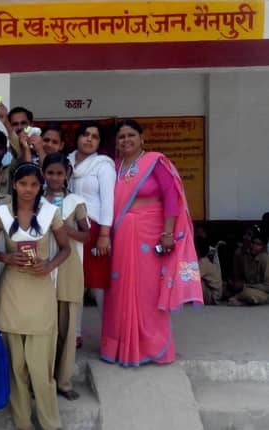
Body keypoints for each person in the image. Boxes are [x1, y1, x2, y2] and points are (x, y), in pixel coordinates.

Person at [101, 119, 202, 366]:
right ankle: (121, 346)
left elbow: (171, 197)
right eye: (121, 136)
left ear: (142, 138)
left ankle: (152, 345)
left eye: (131, 135)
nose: (126, 140)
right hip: (121, 236)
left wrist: (168, 233)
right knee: (119, 289)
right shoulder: (113, 167)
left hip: (152, 233)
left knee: (148, 290)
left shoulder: (155, 161)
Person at [0, 162, 70, 430]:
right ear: (14, 184)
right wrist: (6, 257)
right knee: (16, 369)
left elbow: (66, 249)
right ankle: (22, 423)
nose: (28, 189)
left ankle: (50, 424)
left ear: (40, 187)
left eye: (34, 185)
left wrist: (49, 266)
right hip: (11, 293)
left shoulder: (50, 213)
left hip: (41, 293)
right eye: (23, 183)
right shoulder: (1, 214)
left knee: (41, 369)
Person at [41, 153, 89, 401]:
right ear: (44, 174)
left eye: (59, 173)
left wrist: (63, 229)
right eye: (50, 173)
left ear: (67, 174)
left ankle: (64, 381)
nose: (55, 178)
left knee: (67, 329)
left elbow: (86, 236)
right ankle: (43, 380)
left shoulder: (75, 202)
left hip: (69, 268)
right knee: (46, 330)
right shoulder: (36, 201)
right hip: (45, 267)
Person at [67, 122, 115, 347]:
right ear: (77, 137)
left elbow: (108, 202)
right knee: (75, 283)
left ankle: (111, 334)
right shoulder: (66, 162)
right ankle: (75, 334)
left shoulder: (103, 165)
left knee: (98, 284)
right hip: (70, 229)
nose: (89, 139)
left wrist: (104, 234)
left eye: (95, 137)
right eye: (85, 134)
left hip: (94, 230)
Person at [228, 229, 269, 306]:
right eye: (253, 243)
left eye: (258, 244)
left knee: (248, 293)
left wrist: (245, 285)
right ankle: (241, 299)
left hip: (261, 292)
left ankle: (239, 298)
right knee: (223, 288)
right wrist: (235, 283)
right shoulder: (245, 255)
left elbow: (267, 287)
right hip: (246, 288)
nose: (254, 246)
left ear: (263, 247)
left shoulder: (265, 259)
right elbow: (239, 276)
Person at [195, 236, 223, 305]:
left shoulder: (203, 262)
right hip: (211, 291)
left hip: (213, 296)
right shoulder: (204, 261)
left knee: (196, 281)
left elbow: (193, 277)